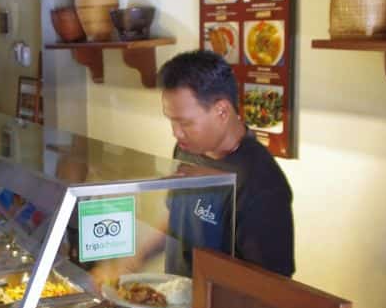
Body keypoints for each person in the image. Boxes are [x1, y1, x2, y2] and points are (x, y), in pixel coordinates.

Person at [94, 50, 294, 281]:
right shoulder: (187, 150)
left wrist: (202, 307)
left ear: (222, 111)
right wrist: (131, 264)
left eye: (185, 122)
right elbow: (177, 218)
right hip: (178, 302)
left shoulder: (262, 184)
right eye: (171, 120)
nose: (175, 132)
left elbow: (272, 286)